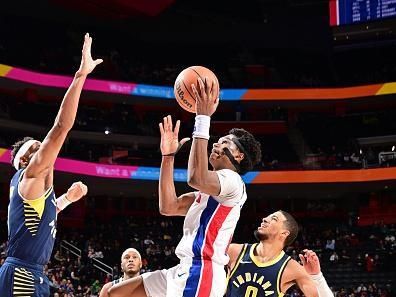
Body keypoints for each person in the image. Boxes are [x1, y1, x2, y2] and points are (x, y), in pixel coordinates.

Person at [109, 77, 261, 297]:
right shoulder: (209, 191)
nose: (217, 143)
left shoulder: (233, 182)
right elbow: (168, 206)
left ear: (238, 155)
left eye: (225, 142)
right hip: (183, 268)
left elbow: (196, 177)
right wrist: (168, 157)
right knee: (116, 292)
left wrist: (202, 118)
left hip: (203, 270)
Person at [0, 33, 102, 296]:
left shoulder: (31, 189)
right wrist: (81, 76)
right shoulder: (30, 173)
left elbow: (44, 215)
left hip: (31, 272)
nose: (44, 150)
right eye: (36, 148)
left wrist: (67, 198)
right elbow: (60, 128)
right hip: (21, 274)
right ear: (23, 161)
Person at [226, 211, 333, 297]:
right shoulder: (234, 251)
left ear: (284, 233)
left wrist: (316, 277)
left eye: (274, 219)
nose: (264, 219)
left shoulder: (292, 268)